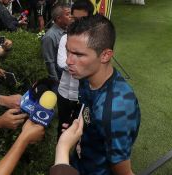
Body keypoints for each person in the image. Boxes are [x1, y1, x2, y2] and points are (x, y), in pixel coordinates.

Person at [66, 14, 140, 174]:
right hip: (80, 163)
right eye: (68, 51)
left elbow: (124, 172)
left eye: (78, 55)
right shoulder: (86, 77)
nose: (68, 61)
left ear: (105, 55)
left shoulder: (114, 111)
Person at [56, 0, 94, 138]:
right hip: (64, 92)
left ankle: (77, 156)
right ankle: (60, 157)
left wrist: (71, 63)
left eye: (82, 19)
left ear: (90, 19)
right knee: (62, 127)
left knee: (83, 130)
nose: (78, 23)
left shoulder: (94, 40)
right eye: (75, 19)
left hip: (85, 95)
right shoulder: (65, 38)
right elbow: (61, 63)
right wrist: (82, 65)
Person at [41, 4, 71, 81]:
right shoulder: (49, 36)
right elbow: (49, 62)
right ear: (59, 18)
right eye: (67, 14)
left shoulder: (69, 31)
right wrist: (55, 81)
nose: (71, 17)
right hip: (60, 79)